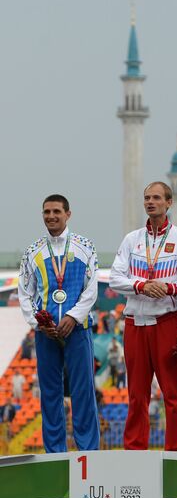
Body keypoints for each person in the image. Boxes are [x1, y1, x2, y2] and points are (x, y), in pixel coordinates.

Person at [110, 181, 177, 451]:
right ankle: (135, 452)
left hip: (167, 323)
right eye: (147, 197)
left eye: (157, 198)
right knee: (136, 396)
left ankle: (176, 454)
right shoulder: (132, 239)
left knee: (173, 395)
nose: (151, 202)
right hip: (135, 324)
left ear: (169, 202)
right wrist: (141, 286)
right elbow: (115, 278)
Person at [18, 194, 100, 453]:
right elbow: (25, 292)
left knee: (83, 392)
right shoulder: (32, 252)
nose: (51, 216)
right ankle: (55, 454)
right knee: (50, 394)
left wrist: (73, 316)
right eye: (46, 212)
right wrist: (38, 323)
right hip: (46, 334)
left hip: (78, 330)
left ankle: (87, 452)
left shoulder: (85, 247)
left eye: (56, 211)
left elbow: (92, 289)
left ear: (68, 214)